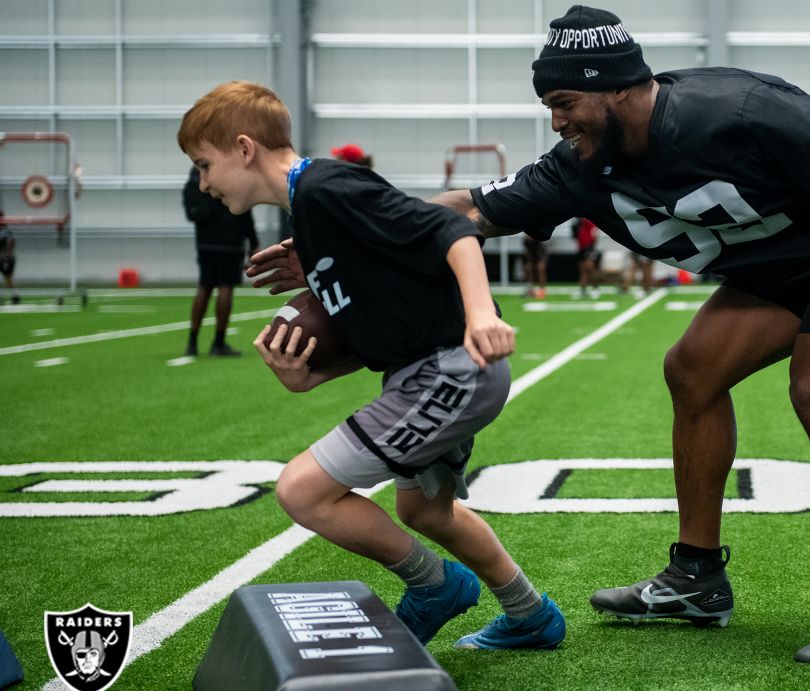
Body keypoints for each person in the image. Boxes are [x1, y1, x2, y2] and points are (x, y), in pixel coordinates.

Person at [432, 6, 810, 664]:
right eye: (549, 105)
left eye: (565, 102)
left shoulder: (742, 112)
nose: (556, 121)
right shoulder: (579, 166)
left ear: (619, 87)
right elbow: (471, 208)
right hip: (792, 248)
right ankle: (697, 578)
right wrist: (344, 227)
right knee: (693, 369)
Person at [180, 81, 565, 651]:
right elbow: (383, 329)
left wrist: (481, 313)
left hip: (454, 368)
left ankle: (433, 586)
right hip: (427, 369)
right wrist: (310, 377)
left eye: (203, 165)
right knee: (425, 511)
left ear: (243, 148)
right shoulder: (311, 214)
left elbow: (453, 228)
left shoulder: (325, 188)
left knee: (301, 491)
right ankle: (530, 614)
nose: (203, 183)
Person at [183, 165, 260, 356]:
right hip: (231, 241)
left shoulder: (195, 179)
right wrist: (253, 242)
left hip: (205, 241)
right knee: (226, 287)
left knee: (204, 286)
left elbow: (192, 214)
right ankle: (218, 342)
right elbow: (244, 210)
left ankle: (192, 342)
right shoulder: (229, 174)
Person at [571, 217, 600, 299]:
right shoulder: (577, 223)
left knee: (590, 268)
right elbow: (575, 236)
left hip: (589, 248)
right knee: (582, 270)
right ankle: (583, 290)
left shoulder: (587, 220)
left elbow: (595, 233)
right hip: (581, 248)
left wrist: (593, 247)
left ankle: (595, 288)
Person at [522, 233, 548, 299]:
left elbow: (542, 251)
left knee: (540, 269)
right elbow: (528, 252)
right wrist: (529, 262)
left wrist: (541, 261)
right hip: (532, 256)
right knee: (528, 269)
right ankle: (530, 289)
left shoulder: (539, 239)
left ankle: (542, 290)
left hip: (541, 254)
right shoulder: (526, 241)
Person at [0, 210, 16, 304]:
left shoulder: (6, 231)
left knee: (8, 278)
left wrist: (7, 256)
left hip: (6, 258)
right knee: (7, 278)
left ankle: (15, 297)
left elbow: (10, 243)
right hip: (3, 257)